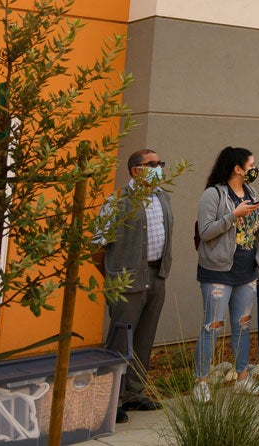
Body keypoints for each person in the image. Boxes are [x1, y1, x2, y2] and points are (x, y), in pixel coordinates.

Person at [95, 149, 172, 422]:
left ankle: (134, 393)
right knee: (120, 339)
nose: (158, 168)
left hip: (156, 275)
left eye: (160, 163)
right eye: (152, 164)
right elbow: (98, 247)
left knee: (144, 338)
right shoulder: (117, 202)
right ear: (136, 170)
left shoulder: (162, 198)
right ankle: (110, 400)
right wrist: (114, 278)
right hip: (127, 280)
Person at [193, 147, 259, 402]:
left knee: (242, 326)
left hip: (247, 271)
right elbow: (206, 231)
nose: (254, 168)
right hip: (218, 272)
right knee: (212, 327)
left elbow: (255, 230)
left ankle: (242, 378)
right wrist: (233, 216)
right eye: (251, 164)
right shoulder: (213, 194)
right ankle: (201, 383)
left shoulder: (251, 192)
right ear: (237, 168)